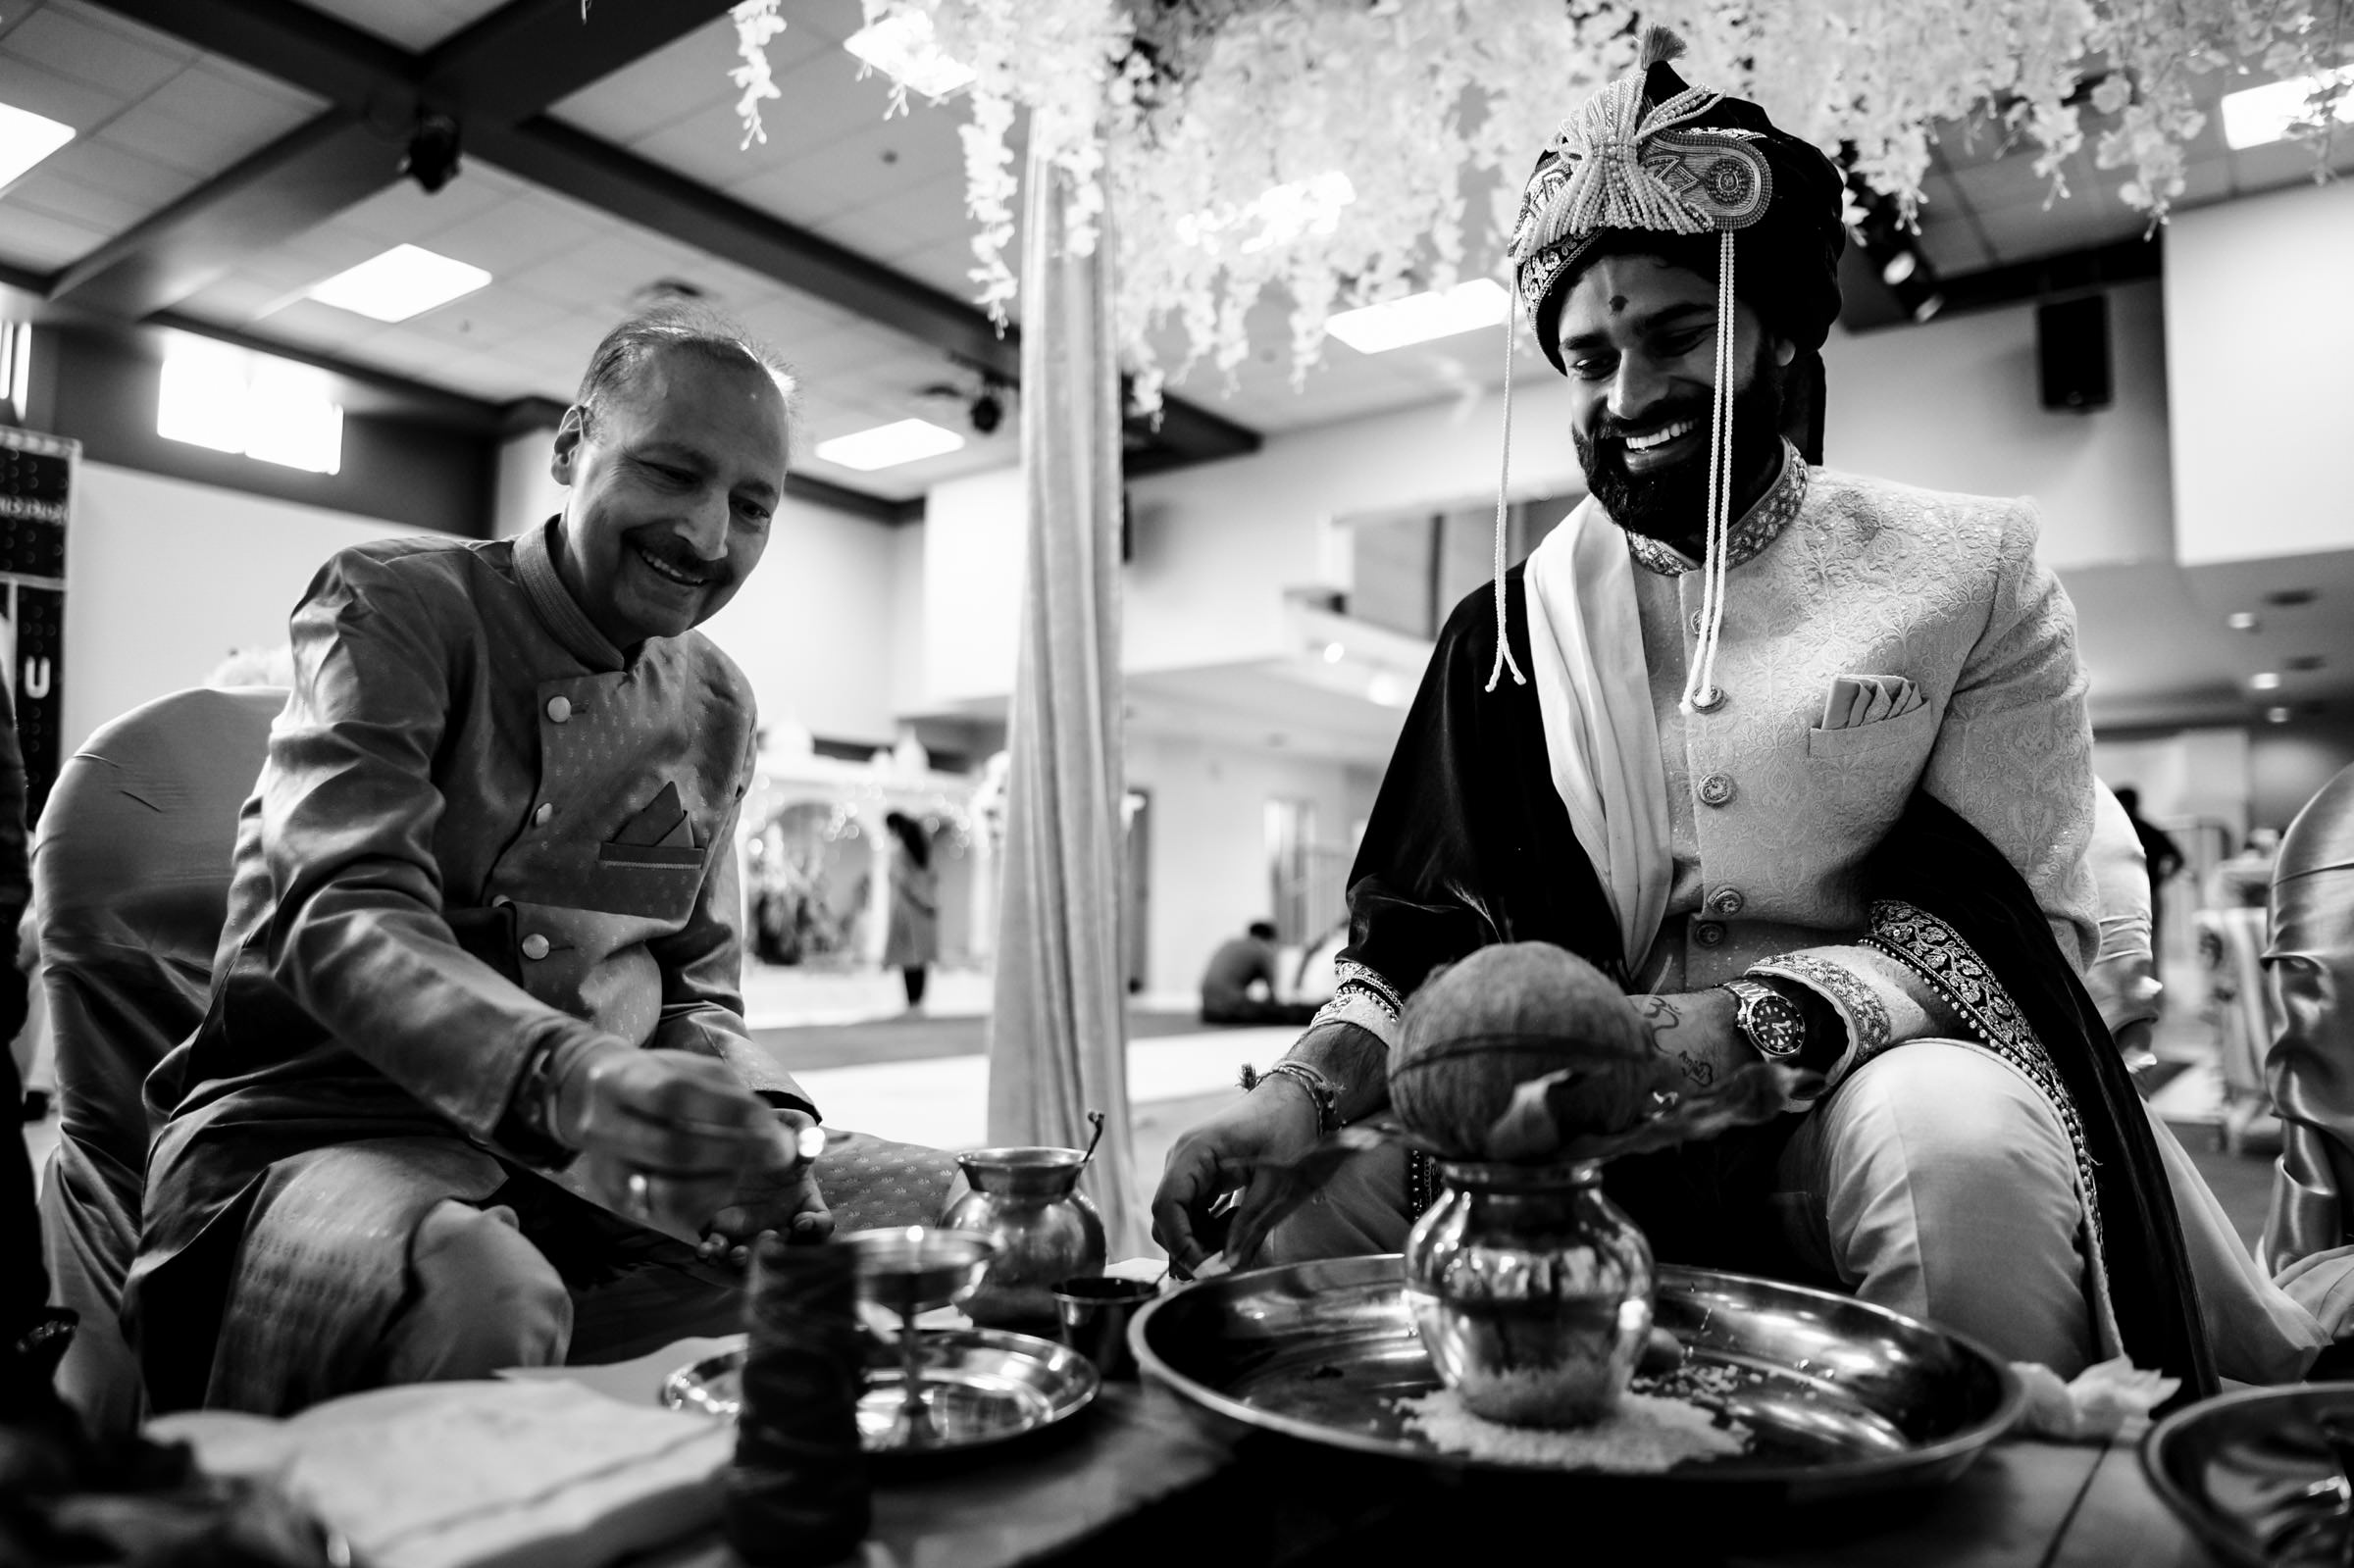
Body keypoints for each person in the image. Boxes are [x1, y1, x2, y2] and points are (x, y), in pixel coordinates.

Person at [1152, 29, 2221, 1390]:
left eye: (1673, 336)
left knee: (1959, 1148)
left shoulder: (1967, 571)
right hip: (1566, 1095)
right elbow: (1418, 945)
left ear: (1773, 327)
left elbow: (2009, 914)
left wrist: (1755, 1020)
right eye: (1588, 361)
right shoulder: (1509, 629)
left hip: (1861, 1078)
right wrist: (1296, 1099)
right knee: (1291, 1223)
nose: (1626, 395)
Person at [126, 307, 833, 1416]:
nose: (707, 536)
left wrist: (762, 1122)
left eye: (752, 507)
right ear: (568, 448)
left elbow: (699, 985)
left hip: (602, 1171)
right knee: (485, 1291)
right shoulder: (395, 605)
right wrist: (574, 1077)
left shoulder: (717, 703)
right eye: (672, 472)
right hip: (317, 1132)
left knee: (939, 1215)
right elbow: (342, 912)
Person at [2112, 784, 2184, 960]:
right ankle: (2154, 983)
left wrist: (2161, 879)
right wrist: (2162, 879)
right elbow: (2178, 858)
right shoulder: (2149, 829)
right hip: (2149, 893)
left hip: (2131, 896)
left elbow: (2178, 858)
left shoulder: (2121, 830)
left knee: (2129, 948)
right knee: (2151, 946)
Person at [1200, 921, 1318, 1028]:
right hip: (1229, 1009)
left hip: (1208, 1011)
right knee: (1285, 1013)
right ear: (1270, 939)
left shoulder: (1231, 943)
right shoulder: (1261, 948)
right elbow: (1274, 992)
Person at [881, 810, 938, 1011]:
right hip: (926, 909)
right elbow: (933, 877)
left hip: (909, 908)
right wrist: (928, 902)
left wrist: (918, 900)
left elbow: (901, 881)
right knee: (920, 959)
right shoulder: (925, 849)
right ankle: (918, 1002)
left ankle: (912, 1003)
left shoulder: (900, 852)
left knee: (908, 958)